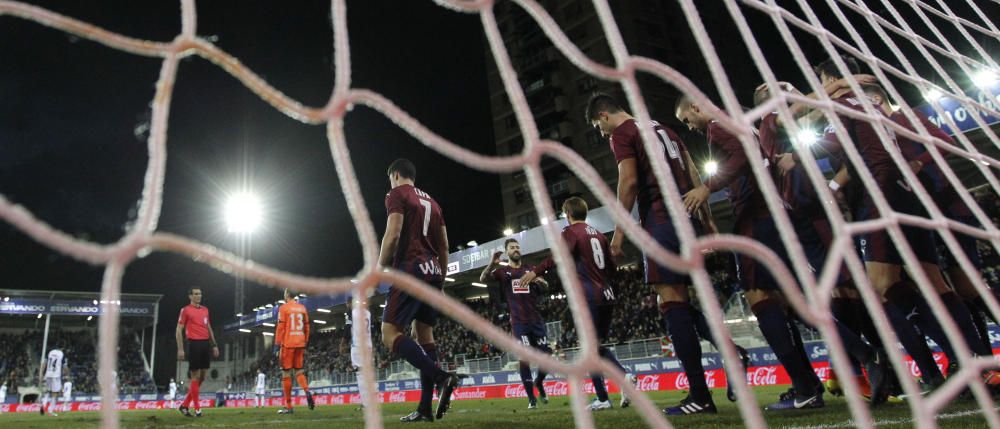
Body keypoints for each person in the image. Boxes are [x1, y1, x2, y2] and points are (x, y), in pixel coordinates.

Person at [587, 93, 749, 413]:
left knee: (671, 302)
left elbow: (630, 181)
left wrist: (618, 235)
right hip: (688, 219)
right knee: (678, 300)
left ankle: (700, 396)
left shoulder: (623, 133)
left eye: (597, 126)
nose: (601, 133)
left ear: (605, 116)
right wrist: (707, 221)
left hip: (661, 220)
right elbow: (691, 172)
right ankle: (732, 353)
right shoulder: (663, 129)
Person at [520, 197, 624, 411]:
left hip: (589, 296)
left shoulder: (571, 232)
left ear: (567, 213)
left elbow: (559, 255)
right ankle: (622, 379)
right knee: (596, 347)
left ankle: (605, 395)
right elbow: (613, 268)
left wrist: (535, 271)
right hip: (608, 295)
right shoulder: (599, 235)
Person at [378, 158, 461, 422]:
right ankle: (425, 409)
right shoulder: (434, 203)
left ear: (396, 175)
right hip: (433, 272)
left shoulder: (396, 194)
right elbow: (445, 246)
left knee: (390, 333)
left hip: (411, 269)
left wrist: (380, 267)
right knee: (424, 336)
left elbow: (393, 233)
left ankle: (442, 378)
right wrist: (441, 282)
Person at [480, 238, 552, 409]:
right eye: (512, 247)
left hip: (536, 321)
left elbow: (547, 286)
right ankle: (532, 400)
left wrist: (541, 281)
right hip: (519, 323)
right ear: (507, 252)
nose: (516, 249)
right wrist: (491, 263)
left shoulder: (531, 269)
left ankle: (539, 382)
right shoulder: (503, 272)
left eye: (518, 247)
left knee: (548, 356)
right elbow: (483, 278)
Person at [176, 287, 220, 417]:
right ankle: (197, 408)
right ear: (190, 296)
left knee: (202, 377)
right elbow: (178, 330)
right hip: (193, 343)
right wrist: (180, 348)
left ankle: (184, 405)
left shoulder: (205, 310)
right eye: (195, 294)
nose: (198, 296)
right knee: (195, 376)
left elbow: (209, 327)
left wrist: (214, 345)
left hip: (205, 344)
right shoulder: (185, 310)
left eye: (200, 293)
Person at [275, 288, 314, 414]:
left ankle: (289, 406)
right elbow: (307, 326)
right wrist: (305, 341)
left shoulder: (283, 308)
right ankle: (307, 390)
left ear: (287, 295)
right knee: (299, 371)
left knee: (286, 374)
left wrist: (276, 345)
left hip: (288, 343)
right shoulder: (302, 308)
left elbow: (280, 328)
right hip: (300, 342)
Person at [344, 293, 374, 409]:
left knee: (360, 374)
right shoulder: (367, 312)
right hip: (368, 345)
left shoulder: (352, 313)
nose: (347, 305)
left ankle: (366, 403)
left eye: (348, 303)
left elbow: (348, 328)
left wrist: (343, 343)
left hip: (358, 346)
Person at [38, 345, 67, 416]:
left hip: (48, 374)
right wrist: (65, 374)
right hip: (56, 375)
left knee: (47, 391)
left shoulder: (50, 352)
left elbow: (44, 363)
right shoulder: (62, 354)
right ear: (62, 348)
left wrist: (41, 373)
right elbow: (65, 367)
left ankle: (43, 405)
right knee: (55, 393)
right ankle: (50, 411)